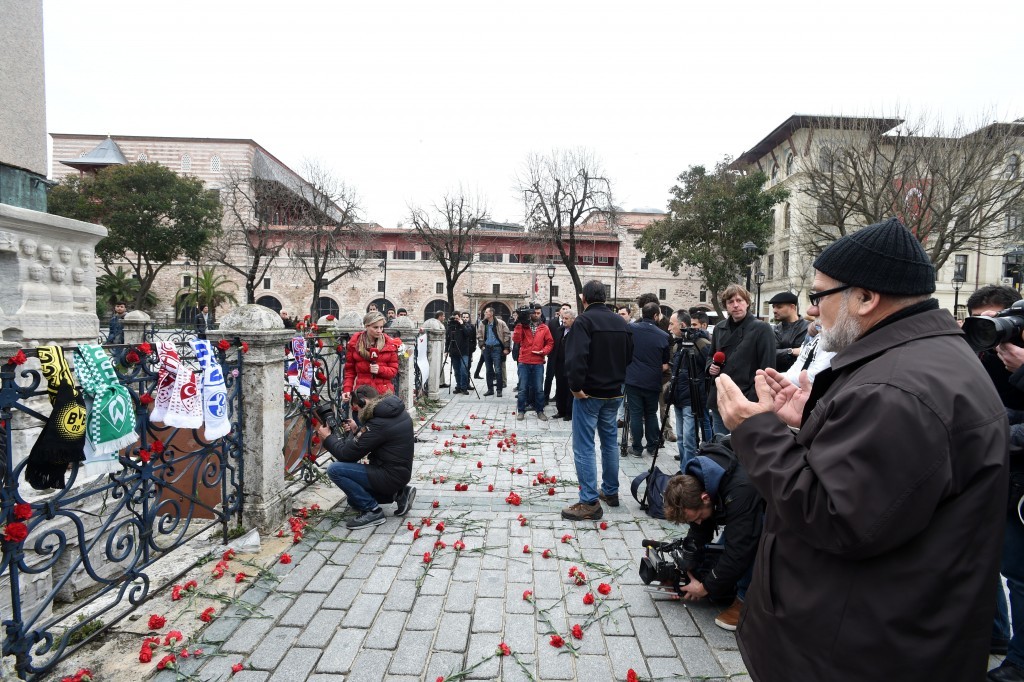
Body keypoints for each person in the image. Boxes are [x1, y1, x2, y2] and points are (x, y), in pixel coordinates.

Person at [715, 217, 1008, 682]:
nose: (813, 311)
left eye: (819, 296)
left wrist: (758, 431)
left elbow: (837, 516)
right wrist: (811, 421)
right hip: (873, 633)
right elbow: (879, 481)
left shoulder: (898, 388)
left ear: (866, 298)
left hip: (858, 649)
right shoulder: (916, 361)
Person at [965, 284, 1024, 679]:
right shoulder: (989, 356)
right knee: (1005, 565)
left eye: (999, 323)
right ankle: (999, 638)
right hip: (1005, 479)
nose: (993, 333)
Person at [664, 441, 763, 631]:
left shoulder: (740, 491)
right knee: (718, 561)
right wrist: (688, 566)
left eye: (698, 517)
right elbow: (700, 528)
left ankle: (745, 601)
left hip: (775, 506)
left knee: (748, 542)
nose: (698, 522)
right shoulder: (697, 480)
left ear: (705, 498)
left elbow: (739, 549)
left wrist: (704, 587)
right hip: (743, 500)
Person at [562, 280, 633, 521]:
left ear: (584, 299)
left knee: (584, 446)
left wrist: (575, 387)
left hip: (590, 393)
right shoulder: (620, 322)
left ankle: (590, 501)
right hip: (614, 391)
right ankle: (610, 491)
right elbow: (629, 354)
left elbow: (576, 356)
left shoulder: (584, 321)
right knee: (609, 442)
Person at [318, 385, 416, 529]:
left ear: (364, 402)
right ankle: (399, 494)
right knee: (353, 501)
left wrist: (328, 438)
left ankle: (373, 511)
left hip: (389, 475)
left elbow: (346, 455)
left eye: (356, 409)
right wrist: (356, 431)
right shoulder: (394, 412)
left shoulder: (378, 424)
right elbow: (377, 440)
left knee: (335, 469)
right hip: (398, 473)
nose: (357, 414)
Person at [706, 284, 775, 437]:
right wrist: (711, 366)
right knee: (720, 446)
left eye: (739, 300)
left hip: (746, 399)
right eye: (730, 302)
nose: (735, 305)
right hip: (721, 397)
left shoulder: (762, 329)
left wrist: (752, 400)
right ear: (726, 305)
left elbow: (767, 368)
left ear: (747, 303)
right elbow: (711, 355)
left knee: (743, 450)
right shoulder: (719, 328)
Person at [624, 302, 670, 456]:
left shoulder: (631, 329)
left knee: (636, 413)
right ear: (656, 315)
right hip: (652, 380)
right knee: (651, 413)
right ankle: (652, 446)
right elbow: (665, 362)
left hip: (633, 379)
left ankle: (637, 448)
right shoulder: (664, 336)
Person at [666, 310, 711, 467]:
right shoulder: (678, 346)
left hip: (692, 399)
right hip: (679, 397)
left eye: (672, 324)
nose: (669, 328)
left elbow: (709, 369)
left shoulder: (700, 344)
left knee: (688, 439)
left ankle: (689, 474)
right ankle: (683, 469)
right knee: (681, 437)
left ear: (682, 325)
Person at [341, 311, 401, 401]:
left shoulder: (390, 345)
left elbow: (394, 371)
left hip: (383, 395)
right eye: (375, 327)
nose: (379, 330)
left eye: (381, 327)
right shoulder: (355, 344)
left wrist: (380, 369)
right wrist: (347, 389)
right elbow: (350, 371)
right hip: (362, 394)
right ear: (366, 326)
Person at [512, 304, 554, 421]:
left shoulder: (544, 327)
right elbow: (516, 340)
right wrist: (519, 323)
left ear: (541, 314)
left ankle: (540, 410)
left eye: (538, 313)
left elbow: (550, 342)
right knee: (523, 388)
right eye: (533, 313)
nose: (535, 315)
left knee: (539, 388)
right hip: (524, 361)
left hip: (538, 361)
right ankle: (521, 410)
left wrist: (543, 351)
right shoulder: (523, 326)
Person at [767, 291, 808, 372]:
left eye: (779, 307)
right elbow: (770, 353)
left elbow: (810, 354)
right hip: (778, 378)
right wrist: (791, 351)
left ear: (792, 307)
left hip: (801, 378)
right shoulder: (774, 329)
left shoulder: (809, 328)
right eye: (773, 307)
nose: (774, 310)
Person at [477, 306, 510, 397]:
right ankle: (490, 389)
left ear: (491, 313)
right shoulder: (482, 323)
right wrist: (482, 346)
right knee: (488, 370)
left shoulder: (500, 323)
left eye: (486, 312)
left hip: (497, 349)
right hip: (487, 349)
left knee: (498, 370)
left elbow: (507, 334)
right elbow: (479, 334)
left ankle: (499, 390)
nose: (485, 313)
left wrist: (506, 347)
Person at [551, 308, 576, 420]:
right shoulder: (559, 330)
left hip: (571, 365)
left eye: (566, 319)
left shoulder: (577, 332)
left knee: (569, 389)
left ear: (573, 320)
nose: (564, 321)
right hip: (559, 364)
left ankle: (569, 412)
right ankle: (560, 410)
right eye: (563, 318)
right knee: (560, 387)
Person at [545, 302, 572, 401]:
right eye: (563, 309)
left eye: (567, 309)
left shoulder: (572, 325)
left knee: (561, 379)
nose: (564, 311)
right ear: (560, 311)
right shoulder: (552, 323)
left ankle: (558, 396)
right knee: (549, 377)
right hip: (553, 355)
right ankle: (545, 397)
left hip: (564, 358)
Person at [446, 311, 475, 394]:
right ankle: (458, 386)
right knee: (456, 370)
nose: (456, 320)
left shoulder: (466, 325)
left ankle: (464, 387)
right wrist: (446, 350)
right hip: (454, 351)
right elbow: (448, 338)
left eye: (457, 318)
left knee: (464, 369)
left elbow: (468, 334)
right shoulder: (451, 326)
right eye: (454, 318)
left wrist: (462, 324)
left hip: (464, 351)